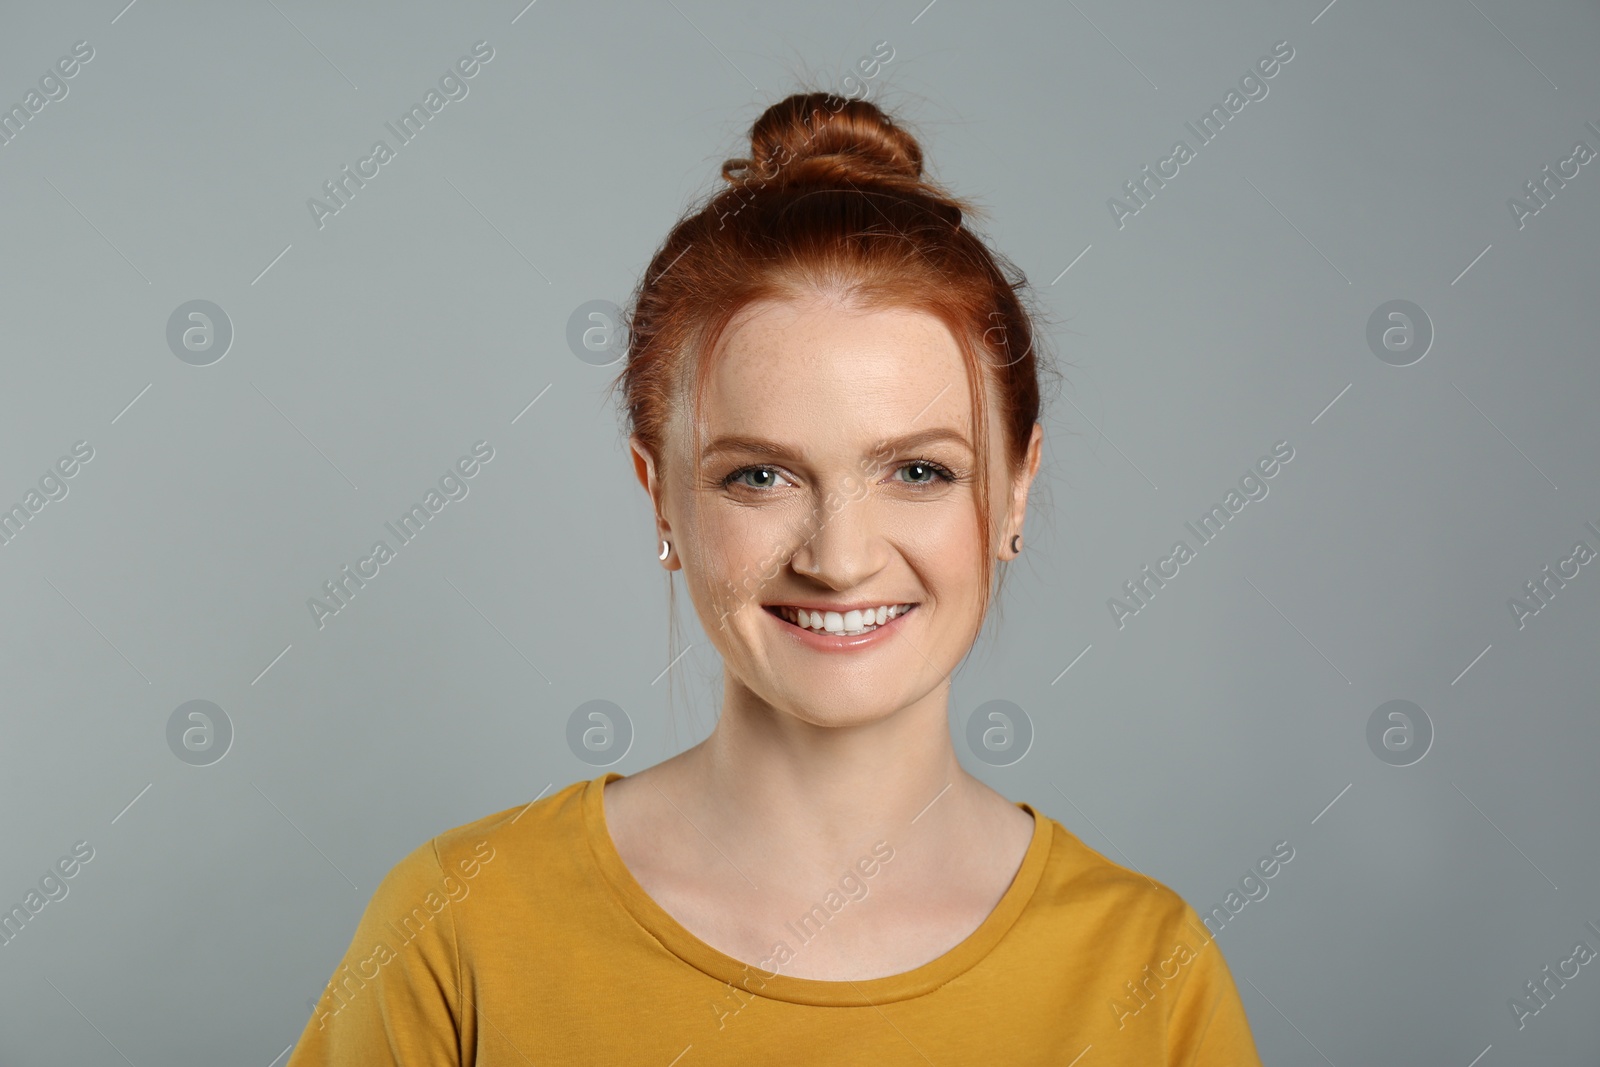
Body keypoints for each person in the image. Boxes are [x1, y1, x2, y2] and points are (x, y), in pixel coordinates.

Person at [286, 91, 1264, 1065]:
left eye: (918, 471)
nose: (838, 559)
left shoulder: (1149, 969)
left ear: (1014, 493)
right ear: (660, 497)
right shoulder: (456, 928)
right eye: (759, 475)